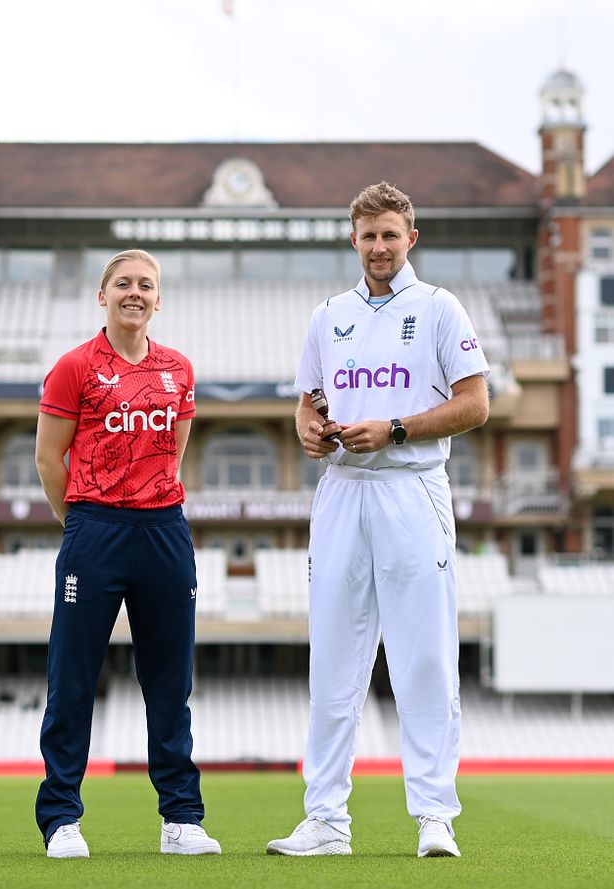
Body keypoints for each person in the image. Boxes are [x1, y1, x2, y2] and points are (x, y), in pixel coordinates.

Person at [267, 182, 490, 859]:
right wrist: (310, 430)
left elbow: (476, 403)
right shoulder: (327, 314)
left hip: (411, 487)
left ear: (410, 238)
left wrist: (394, 428)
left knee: (424, 655)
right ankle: (326, 818)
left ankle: (434, 817)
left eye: (390, 234)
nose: (379, 246)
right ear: (353, 239)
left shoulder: (440, 308)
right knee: (333, 659)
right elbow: (309, 402)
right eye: (368, 235)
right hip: (341, 491)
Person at [34, 249, 221, 858]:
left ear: (158, 298)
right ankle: (61, 817)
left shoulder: (179, 369)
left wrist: (145, 506)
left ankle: (182, 820)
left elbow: (174, 451)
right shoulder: (74, 367)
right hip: (95, 530)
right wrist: (81, 523)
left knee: (171, 681)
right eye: (122, 284)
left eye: (145, 284)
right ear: (103, 294)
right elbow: (46, 459)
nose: (134, 292)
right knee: (74, 678)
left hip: (164, 528)